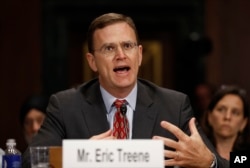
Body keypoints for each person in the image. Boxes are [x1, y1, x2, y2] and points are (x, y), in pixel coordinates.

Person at [22, 13, 229, 167]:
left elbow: (225, 163)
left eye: (128, 46)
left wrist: (209, 162)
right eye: (109, 48)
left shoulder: (174, 106)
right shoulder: (65, 106)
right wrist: (81, 155)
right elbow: (31, 160)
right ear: (92, 61)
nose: (121, 55)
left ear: (139, 54)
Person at [200, 85, 250, 160]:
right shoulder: (196, 153)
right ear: (209, 116)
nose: (227, 117)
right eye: (221, 110)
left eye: (235, 112)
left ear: (243, 123)